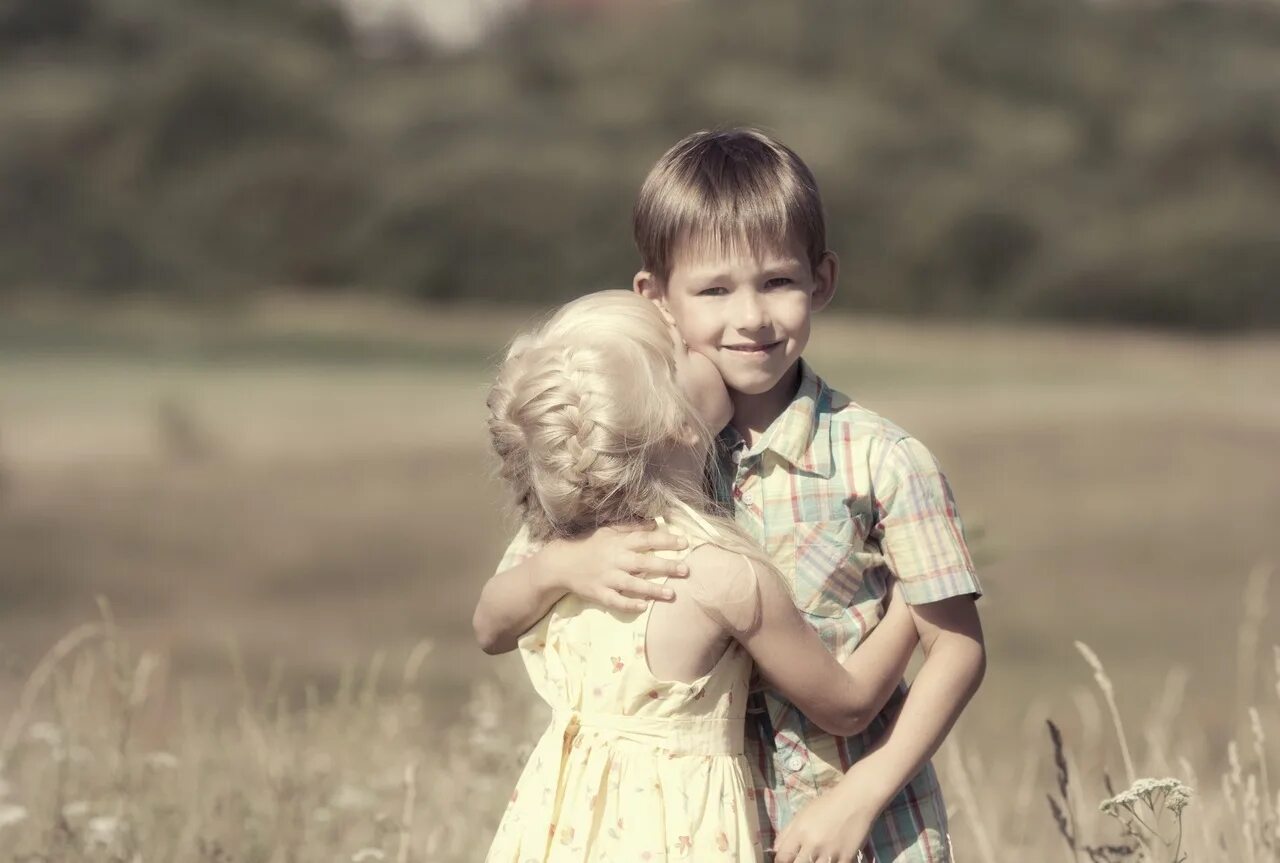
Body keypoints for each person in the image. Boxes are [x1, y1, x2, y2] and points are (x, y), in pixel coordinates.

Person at [474, 128, 987, 863]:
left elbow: (957, 649)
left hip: (852, 827)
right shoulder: (630, 450)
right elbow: (494, 618)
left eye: (777, 281)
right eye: (714, 290)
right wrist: (564, 566)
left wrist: (863, 792)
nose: (750, 317)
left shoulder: (883, 461)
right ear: (655, 298)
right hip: (689, 828)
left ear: (822, 280)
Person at [481, 290, 922, 863]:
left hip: (559, 832)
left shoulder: (564, 544)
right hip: (675, 836)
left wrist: (556, 567)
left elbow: (488, 628)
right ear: (678, 423)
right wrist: (916, 595)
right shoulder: (722, 574)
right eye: (685, 348)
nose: (709, 348)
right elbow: (846, 706)